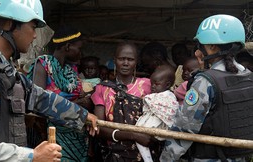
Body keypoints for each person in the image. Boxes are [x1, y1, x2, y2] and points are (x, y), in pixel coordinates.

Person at [0, 0, 98, 161]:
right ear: (9, 23)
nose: (35, 35)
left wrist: (83, 115)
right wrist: (32, 156)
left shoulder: (7, 73)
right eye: (33, 27)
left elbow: (41, 98)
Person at [160, 14, 253, 161]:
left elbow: (184, 130)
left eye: (200, 46)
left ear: (211, 46)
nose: (198, 51)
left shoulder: (205, 82)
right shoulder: (249, 76)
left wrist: (166, 159)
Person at [27, 25, 93, 162]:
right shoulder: (44, 64)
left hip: (76, 135)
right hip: (50, 134)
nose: (81, 53)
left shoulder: (71, 70)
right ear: (68, 46)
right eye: (79, 48)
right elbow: (37, 101)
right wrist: (77, 104)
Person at [91, 42, 153, 162]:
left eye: (130, 59)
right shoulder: (102, 88)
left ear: (136, 62)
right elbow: (99, 127)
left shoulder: (148, 85)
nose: (125, 63)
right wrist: (133, 135)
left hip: (143, 154)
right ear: (115, 60)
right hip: (113, 155)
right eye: (121, 59)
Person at [136, 64, 179, 162]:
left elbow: (151, 101)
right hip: (151, 126)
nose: (153, 87)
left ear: (168, 85)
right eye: (152, 84)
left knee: (140, 139)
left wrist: (145, 98)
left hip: (157, 126)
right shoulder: (158, 95)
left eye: (156, 84)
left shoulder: (168, 96)